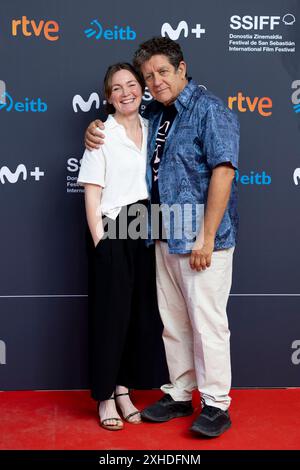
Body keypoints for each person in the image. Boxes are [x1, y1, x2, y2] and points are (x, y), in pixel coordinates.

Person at [85, 37, 240, 438]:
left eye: (162, 73)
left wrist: (206, 238)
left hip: (202, 239)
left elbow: (223, 171)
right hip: (162, 234)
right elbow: (121, 116)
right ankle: (181, 392)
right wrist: (94, 126)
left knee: (207, 324)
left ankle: (216, 403)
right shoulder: (156, 111)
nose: (154, 81)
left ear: (182, 68)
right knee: (173, 323)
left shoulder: (210, 110)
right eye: (149, 75)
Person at [78, 62, 167, 431]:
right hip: (114, 229)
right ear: (108, 96)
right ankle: (103, 398)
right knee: (110, 317)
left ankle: (123, 390)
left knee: (139, 318)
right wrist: (101, 242)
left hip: (149, 228)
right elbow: (92, 192)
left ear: (142, 88)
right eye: (117, 87)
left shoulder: (155, 127)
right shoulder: (101, 134)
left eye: (132, 84)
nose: (126, 91)